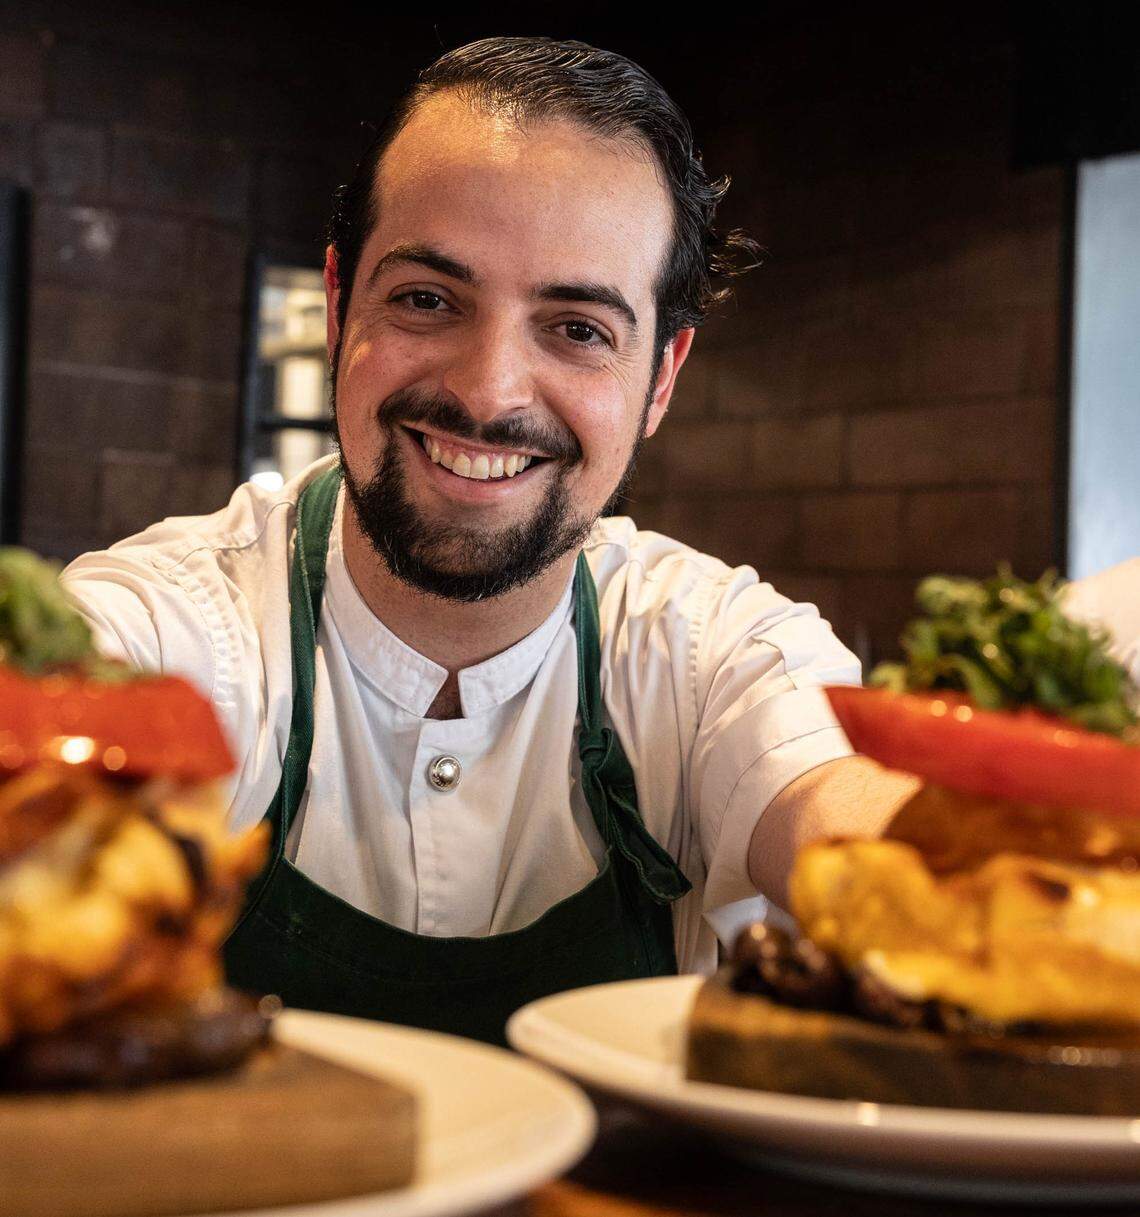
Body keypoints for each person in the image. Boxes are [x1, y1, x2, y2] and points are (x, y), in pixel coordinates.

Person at [61, 37, 917, 1043]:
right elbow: (58, 726)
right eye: (427, 300)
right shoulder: (177, 622)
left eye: (578, 328)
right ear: (337, 308)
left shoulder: (709, 653)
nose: (487, 390)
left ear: (662, 377)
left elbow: (847, 815)